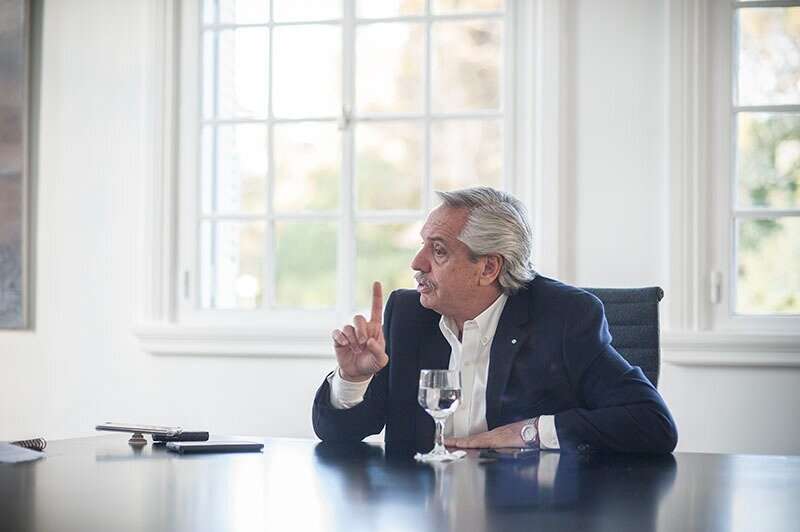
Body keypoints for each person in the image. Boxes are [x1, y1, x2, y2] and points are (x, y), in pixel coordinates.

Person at [312, 187, 678, 453]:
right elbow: (338, 434)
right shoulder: (408, 315)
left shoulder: (565, 316)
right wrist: (353, 380)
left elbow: (651, 422)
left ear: (488, 268)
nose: (417, 263)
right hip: (424, 512)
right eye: (423, 245)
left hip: (525, 511)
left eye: (438, 251)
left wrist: (529, 433)